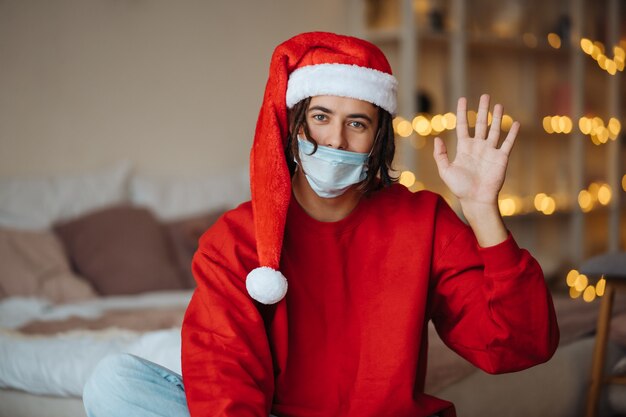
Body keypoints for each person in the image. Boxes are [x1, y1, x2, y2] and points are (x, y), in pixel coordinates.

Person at [83, 31, 559, 417]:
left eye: (357, 123)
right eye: (320, 117)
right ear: (293, 126)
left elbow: (519, 345)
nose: (335, 139)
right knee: (116, 384)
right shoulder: (234, 238)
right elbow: (221, 370)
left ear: (378, 137)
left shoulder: (424, 221)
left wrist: (481, 212)